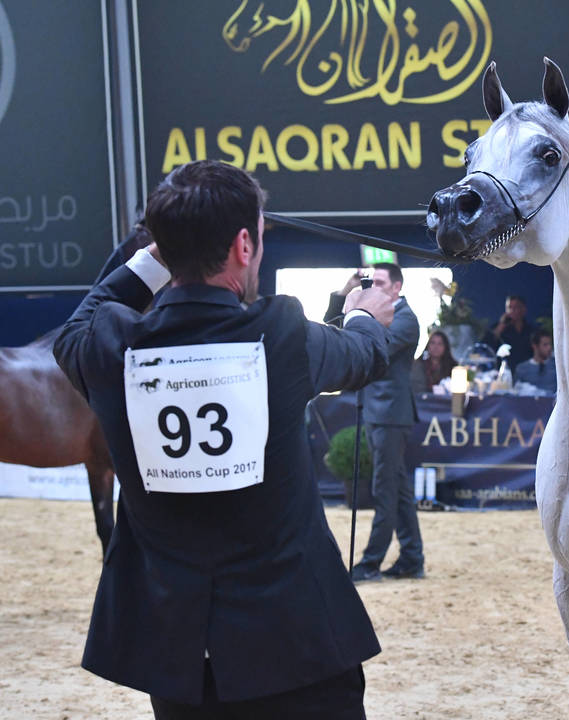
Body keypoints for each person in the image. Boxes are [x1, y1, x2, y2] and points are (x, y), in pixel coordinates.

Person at [52, 160, 393, 718]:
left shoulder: (111, 348)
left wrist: (157, 253)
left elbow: (76, 325)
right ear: (243, 245)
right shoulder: (281, 333)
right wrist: (361, 316)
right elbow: (363, 357)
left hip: (181, 663)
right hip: (300, 650)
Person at [340, 263, 426, 583]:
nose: (373, 287)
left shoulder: (405, 318)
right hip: (381, 411)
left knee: (384, 488)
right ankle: (412, 558)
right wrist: (344, 295)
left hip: (391, 413)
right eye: (371, 282)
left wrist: (360, 314)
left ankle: (371, 562)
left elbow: (375, 345)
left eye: (379, 282)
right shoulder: (381, 312)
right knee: (398, 488)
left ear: (396, 288)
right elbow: (344, 333)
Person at [483, 294, 535, 369]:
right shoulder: (498, 327)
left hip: (526, 371)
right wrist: (501, 326)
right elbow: (486, 347)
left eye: (516, 307)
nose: (512, 310)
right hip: (504, 371)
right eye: (509, 307)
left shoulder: (531, 330)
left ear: (523, 309)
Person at [410, 330, 457, 394]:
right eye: (432, 343)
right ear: (428, 346)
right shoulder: (418, 365)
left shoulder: (453, 367)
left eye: (440, 344)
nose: (436, 347)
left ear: (445, 347)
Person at [513, 329, 557, 395]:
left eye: (550, 344)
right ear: (535, 346)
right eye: (545, 345)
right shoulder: (521, 368)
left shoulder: (556, 366)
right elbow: (515, 392)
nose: (549, 348)